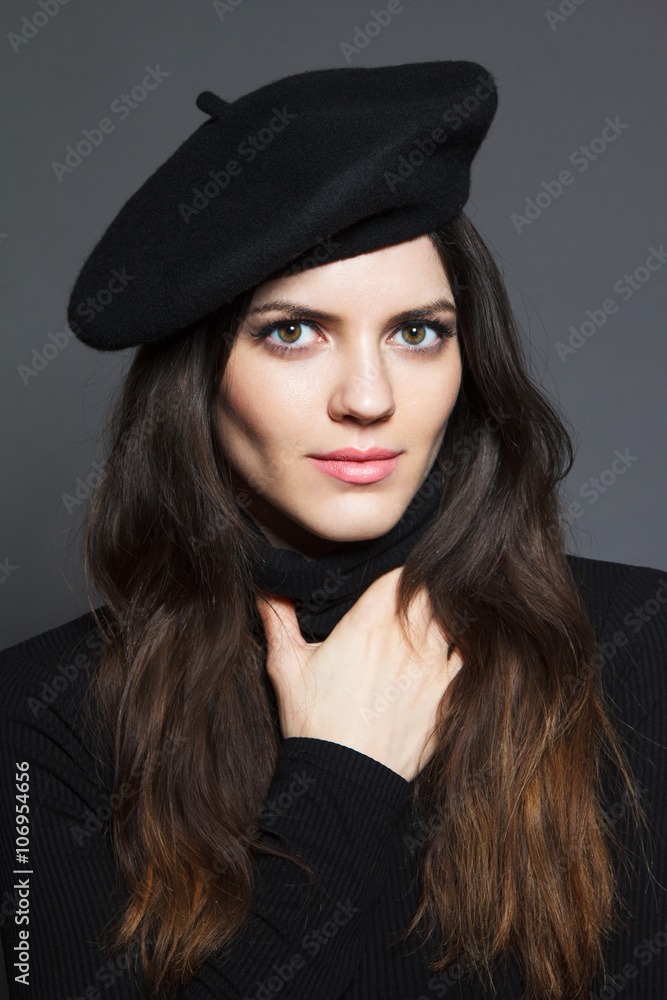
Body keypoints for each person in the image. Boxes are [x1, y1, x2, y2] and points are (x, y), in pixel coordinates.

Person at [0, 60, 665, 1000]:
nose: (367, 398)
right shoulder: (39, 725)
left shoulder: (642, 643)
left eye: (416, 332)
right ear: (198, 374)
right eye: (292, 331)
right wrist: (341, 774)